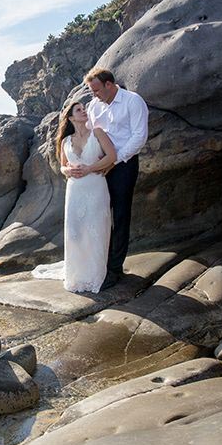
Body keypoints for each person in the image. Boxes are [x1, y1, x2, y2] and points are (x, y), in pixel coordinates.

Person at [84, 68, 149, 289]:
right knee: (98, 214)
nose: (94, 95)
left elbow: (139, 136)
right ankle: (98, 264)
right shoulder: (94, 106)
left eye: (96, 90)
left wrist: (115, 159)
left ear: (109, 84)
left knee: (120, 216)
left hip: (124, 165)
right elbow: (91, 135)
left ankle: (114, 269)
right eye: (91, 91)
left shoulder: (133, 101)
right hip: (100, 165)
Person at [56, 101, 117, 293]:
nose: (84, 112)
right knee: (75, 232)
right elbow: (62, 166)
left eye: (84, 109)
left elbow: (112, 156)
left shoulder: (98, 132)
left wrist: (90, 168)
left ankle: (95, 275)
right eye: (79, 110)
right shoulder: (65, 141)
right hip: (75, 190)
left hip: (96, 186)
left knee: (96, 229)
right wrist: (68, 170)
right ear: (71, 118)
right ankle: (77, 275)